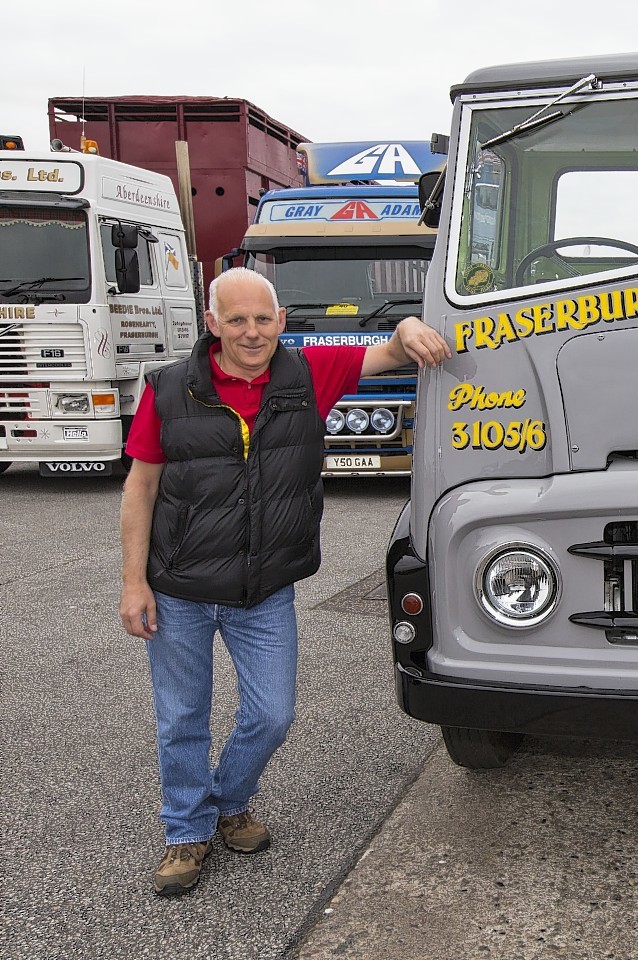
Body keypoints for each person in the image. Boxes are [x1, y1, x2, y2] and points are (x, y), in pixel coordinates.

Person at [119, 267, 450, 896]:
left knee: (272, 714)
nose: (251, 332)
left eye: (263, 319)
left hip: (265, 588)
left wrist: (407, 323)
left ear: (281, 320)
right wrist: (133, 583)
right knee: (182, 716)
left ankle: (229, 801)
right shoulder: (167, 390)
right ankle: (186, 833)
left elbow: (390, 351)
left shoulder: (307, 375)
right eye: (236, 319)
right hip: (180, 589)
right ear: (211, 323)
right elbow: (140, 487)